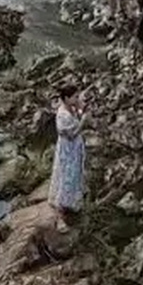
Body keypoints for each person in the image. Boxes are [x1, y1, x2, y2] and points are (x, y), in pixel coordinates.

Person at [50, 85, 87, 229]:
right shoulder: (62, 115)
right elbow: (71, 134)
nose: (77, 99)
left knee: (74, 174)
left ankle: (72, 201)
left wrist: (80, 109)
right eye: (74, 97)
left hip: (73, 149)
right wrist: (84, 120)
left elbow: (76, 117)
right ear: (66, 98)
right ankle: (60, 215)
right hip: (68, 150)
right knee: (66, 176)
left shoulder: (69, 109)